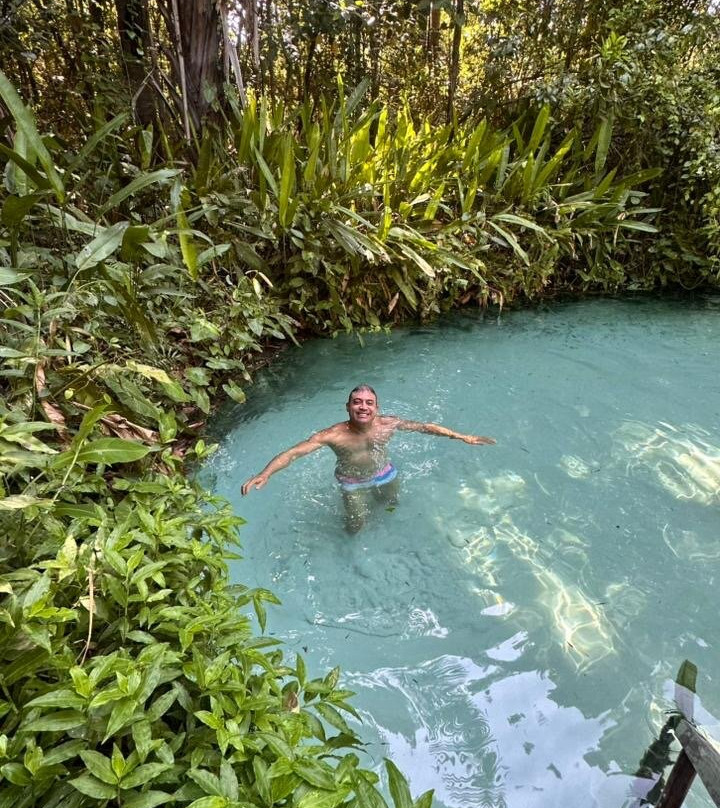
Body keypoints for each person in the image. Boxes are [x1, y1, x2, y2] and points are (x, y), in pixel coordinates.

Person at [241, 384, 496, 533]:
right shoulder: (333, 435)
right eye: (357, 402)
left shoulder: (389, 424)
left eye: (369, 403)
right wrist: (266, 473)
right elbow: (293, 453)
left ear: (377, 408)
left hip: (384, 471)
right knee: (356, 525)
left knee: (391, 502)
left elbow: (426, 427)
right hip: (351, 481)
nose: (363, 406)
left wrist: (463, 437)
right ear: (348, 407)